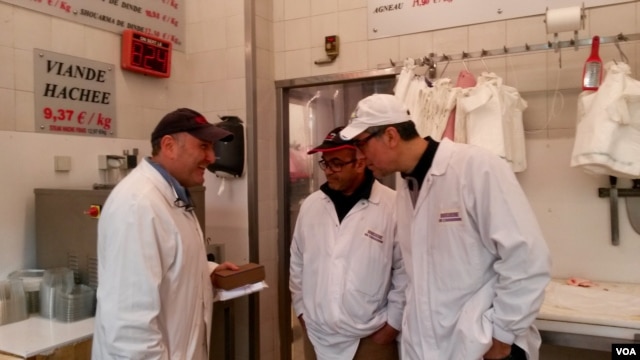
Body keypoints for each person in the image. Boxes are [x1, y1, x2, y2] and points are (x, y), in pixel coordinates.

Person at [339, 94, 551, 360]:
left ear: (391, 136)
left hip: (482, 347)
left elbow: (527, 257)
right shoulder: (407, 188)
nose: (360, 155)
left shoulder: (476, 167)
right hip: (432, 347)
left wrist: (502, 337)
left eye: (362, 144)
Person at [92, 108, 239, 359]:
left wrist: (208, 272)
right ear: (169, 146)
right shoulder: (138, 205)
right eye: (204, 146)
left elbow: (166, 261)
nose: (212, 157)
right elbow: (129, 328)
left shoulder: (172, 196)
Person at [289, 126, 407, 360]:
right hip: (317, 335)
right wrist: (301, 310)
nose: (329, 171)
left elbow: (404, 272)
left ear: (360, 163)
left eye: (337, 163)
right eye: (325, 163)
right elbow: (298, 261)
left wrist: (392, 325)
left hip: (369, 338)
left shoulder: (392, 206)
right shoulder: (312, 206)